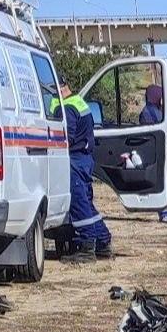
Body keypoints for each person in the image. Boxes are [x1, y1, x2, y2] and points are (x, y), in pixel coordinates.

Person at [48, 83, 115, 259]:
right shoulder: (79, 102)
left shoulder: (67, 108)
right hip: (84, 158)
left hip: (74, 160)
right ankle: (103, 241)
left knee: (79, 204)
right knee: (86, 203)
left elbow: (65, 138)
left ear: (59, 89)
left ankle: (87, 247)